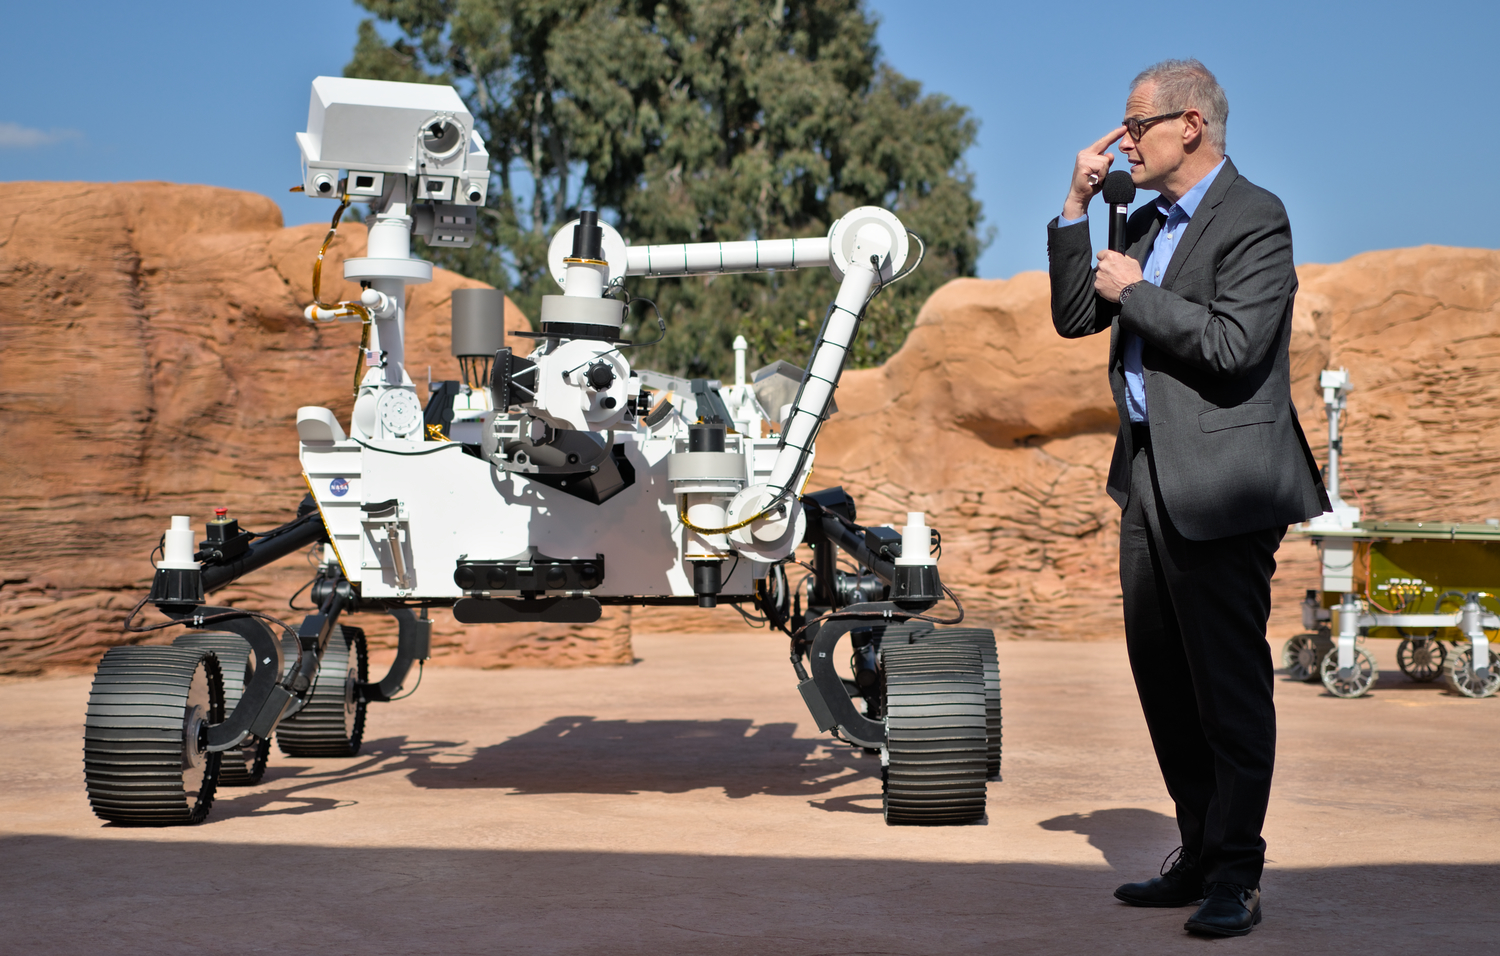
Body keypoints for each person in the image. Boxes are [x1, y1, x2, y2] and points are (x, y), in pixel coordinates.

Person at [1046, 59, 1329, 938]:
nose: (1124, 139)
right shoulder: (1136, 213)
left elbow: (1236, 346)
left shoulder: (1256, 217)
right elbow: (1073, 317)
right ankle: (1199, 852)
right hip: (1147, 485)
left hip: (1224, 487)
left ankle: (1238, 875)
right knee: (1164, 681)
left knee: (1230, 689)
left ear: (1190, 126)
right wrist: (1076, 210)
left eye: (1137, 124)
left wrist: (1138, 291)